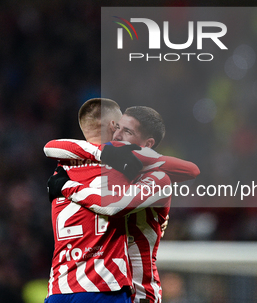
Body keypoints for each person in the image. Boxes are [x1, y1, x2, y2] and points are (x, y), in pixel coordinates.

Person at [45, 106, 199, 303]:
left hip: (141, 293)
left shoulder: (158, 177)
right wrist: (103, 152)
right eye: (116, 128)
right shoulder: (112, 171)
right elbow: (50, 147)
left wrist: (66, 186)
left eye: (126, 131)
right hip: (110, 288)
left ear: (147, 144)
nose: (116, 135)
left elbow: (113, 206)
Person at [45, 98, 145, 303]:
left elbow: (49, 146)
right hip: (103, 287)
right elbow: (112, 206)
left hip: (60, 289)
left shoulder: (62, 167)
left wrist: (65, 186)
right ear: (113, 125)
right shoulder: (123, 163)